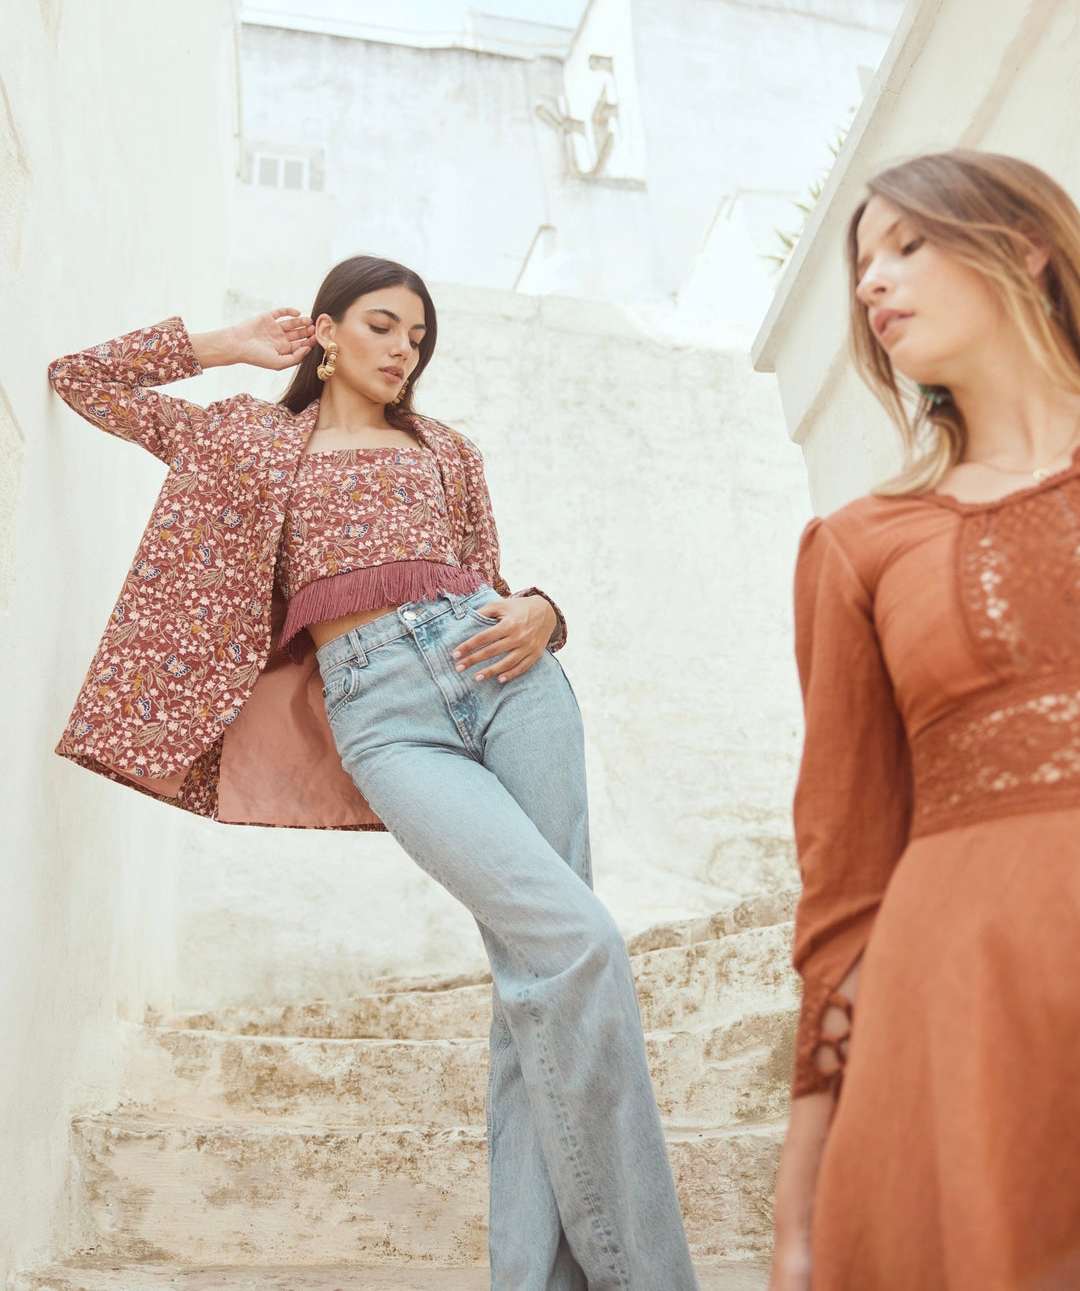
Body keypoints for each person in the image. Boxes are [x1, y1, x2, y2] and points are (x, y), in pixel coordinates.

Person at [48, 255, 700, 1291]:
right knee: (576, 944)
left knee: (536, 980)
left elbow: (493, 579)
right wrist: (225, 345)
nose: (405, 350)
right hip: (380, 718)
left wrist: (545, 610)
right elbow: (83, 379)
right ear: (325, 330)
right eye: (385, 326)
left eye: (419, 338)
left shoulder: (447, 448)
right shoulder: (247, 438)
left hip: (508, 681)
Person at [768, 149, 1080, 1291]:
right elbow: (843, 875)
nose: (872, 284)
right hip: (959, 1012)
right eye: (860, 265)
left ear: (1026, 245)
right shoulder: (862, 546)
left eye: (908, 244)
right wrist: (803, 1189)